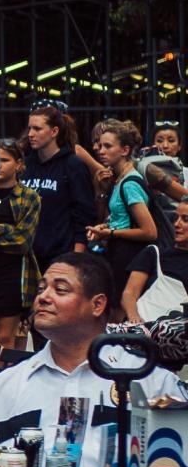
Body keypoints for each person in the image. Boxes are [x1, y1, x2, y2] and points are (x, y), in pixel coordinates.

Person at [0, 253, 183, 467]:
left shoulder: (151, 380)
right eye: (41, 288)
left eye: (60, 290)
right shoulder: (4, 384)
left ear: (97, 305)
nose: (43, 297)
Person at [86, 119, 158, 316]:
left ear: (125, 150)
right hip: (119, 254)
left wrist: (111, 232)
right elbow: (121, 217)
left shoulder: (130, 184)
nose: (101, 151)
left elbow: (149, 231)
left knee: (117, 317)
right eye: (100, 145)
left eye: (108, 146)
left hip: (128, 257)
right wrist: (104, 227)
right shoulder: (118, 180)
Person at [21, 100, 98, 269]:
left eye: (37, 129)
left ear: (54, 131)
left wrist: (77, 257)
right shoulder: (25, 165)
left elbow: (84, 214)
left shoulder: (73, 165)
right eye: (29, 128)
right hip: (27, 256)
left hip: (61, 256)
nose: (31, 134)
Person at [0, 138, 43, 350]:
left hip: (13, 277)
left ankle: (4, 381)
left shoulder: (29, 197)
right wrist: (4, 231)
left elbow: (22, 241)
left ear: (19, 164)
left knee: (5, 340)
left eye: (4, 160)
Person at [125, 196, 188, 320]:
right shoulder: (153, 253)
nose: (176, 224)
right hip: (144, 328)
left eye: (185, 219)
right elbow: (130, 293)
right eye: (176, 218)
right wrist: (134, 317)